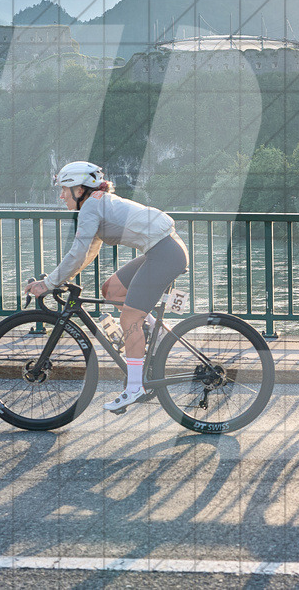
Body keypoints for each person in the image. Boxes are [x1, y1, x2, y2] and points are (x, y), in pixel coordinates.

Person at [24, 161, 189, 411]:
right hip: (164, 249)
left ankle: (135, 388)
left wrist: (48, 283)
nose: (61, 195)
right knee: (111, 290)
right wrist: (61, 279)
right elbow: (87, 252)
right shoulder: (97, 203)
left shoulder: (91, 206)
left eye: (64, 189)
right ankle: (158, 335)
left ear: (79, 190)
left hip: (165, 253)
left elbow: (78, 252)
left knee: (129, 319)